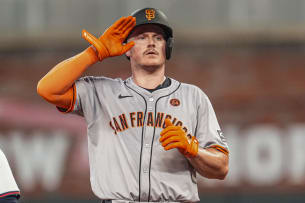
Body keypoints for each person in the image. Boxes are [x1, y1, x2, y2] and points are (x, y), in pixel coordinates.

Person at [37, 7, 229, 202]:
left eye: (158, 37)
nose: (151, 42)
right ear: (126, 48)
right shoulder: (102, 92)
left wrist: (193, 149)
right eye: (142, 37)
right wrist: (94, 53)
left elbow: (221, 168)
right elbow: (48, 89)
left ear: (168, 47)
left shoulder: (193, 97)